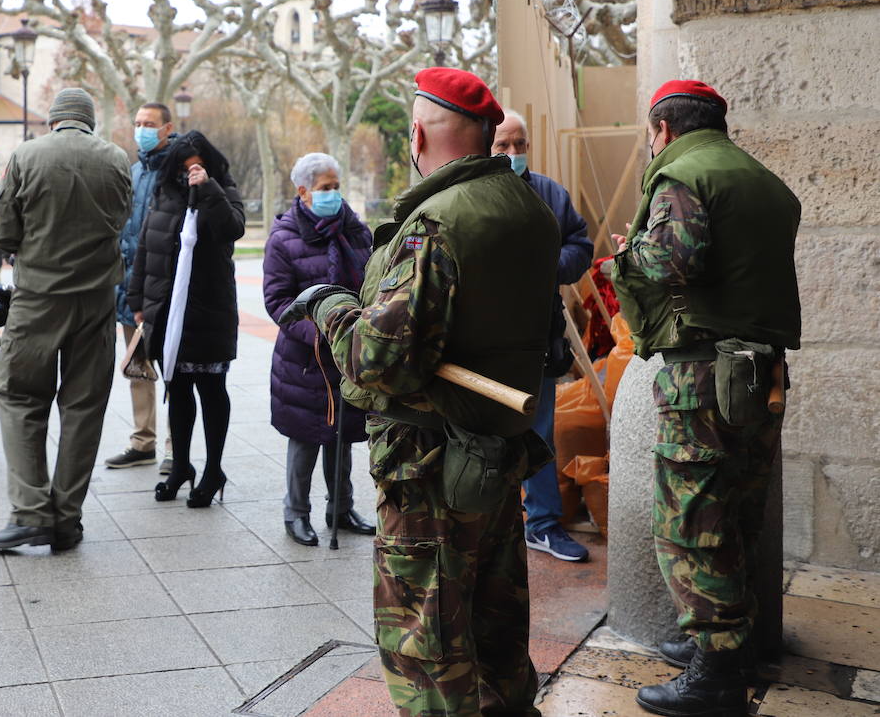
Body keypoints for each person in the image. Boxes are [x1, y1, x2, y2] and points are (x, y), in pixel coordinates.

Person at [284, 68, 559, 715]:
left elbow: (382, 361)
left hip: (431, 468)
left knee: (428, 653)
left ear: (416, 133)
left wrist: (329, 307)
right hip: (493, 457)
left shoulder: (437, 224)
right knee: (497, 642)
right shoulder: (531, 211)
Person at [610, 81, 801, 717]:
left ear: (662, 130)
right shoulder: (765, 183)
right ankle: (728, 647)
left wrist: (626, 254)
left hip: (701, 377)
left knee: (694, 525)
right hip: (759, 371)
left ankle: (716, 674)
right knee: (739, 513)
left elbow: (670, 262)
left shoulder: (684, 174)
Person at [0, 88, 131, 551]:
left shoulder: (27, 155)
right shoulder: (116, 158)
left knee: (19, 395)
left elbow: (0, 227)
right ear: (89, 122)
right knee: (84, 408)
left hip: (39, 299)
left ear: (53, 120)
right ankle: (66, 518)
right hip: (96, 301)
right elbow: (122, 219)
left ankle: (30, 513)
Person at [491, 111, 595, 564]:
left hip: (539, 338)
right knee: (488, 435)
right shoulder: (470, 196)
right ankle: (492, 528)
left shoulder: (550, 192)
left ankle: (543, 525)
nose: (514, 154)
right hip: (487, 341)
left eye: (521, 144)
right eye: (503, 146)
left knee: (540, 433)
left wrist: (546, 268)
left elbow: (581, 246)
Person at [262, 152, 375, 547]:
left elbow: (369, 280)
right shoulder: (284, 238)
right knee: (307, 436)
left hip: (346, 352)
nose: (334, 196)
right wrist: (319, 330)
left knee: (342, 433)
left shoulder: (356, 231)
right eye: (326, 189)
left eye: (336, 187)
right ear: (304, 192)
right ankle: (296, 513)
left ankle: (341, 508)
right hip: (305, 360)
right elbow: (277, 301)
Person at [129, 130, 245, 508]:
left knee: (211, 392)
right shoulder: (165, 194)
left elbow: (232, 229)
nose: (188, 172)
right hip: (168, 311)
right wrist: (137, 300)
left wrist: (208, 188)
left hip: (209, 310)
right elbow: (147, 246)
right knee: (176, 391)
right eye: (182, 166)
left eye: (195, 165)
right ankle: (181, 466)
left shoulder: (222, 189)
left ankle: (213, 469)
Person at [105, 102, 177, 471]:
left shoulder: (177, 172)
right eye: (137, 123)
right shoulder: (132, 172)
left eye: (149, 124)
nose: (141, 130)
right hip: (130, 288)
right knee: (139, 366)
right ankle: (143, 441)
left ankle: (173, 447)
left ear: (167, 128)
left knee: (172, 371)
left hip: (164, 291)